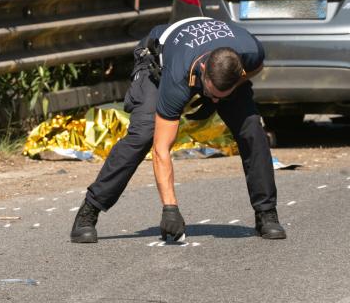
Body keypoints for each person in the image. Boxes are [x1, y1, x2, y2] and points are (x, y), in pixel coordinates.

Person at [70, 16, 286, 243]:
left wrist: (215, 98)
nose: (214, 99)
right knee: (144, 134)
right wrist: (170, 208)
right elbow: (161, 148)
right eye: (211, 93)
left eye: (221, 96)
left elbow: (256, 69)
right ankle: (88, 211)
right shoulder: (177, 78)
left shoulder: (250, 51)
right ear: (203, 71)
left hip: (215, 64)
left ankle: (266, 214)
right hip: (158, 59)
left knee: (252, 129)